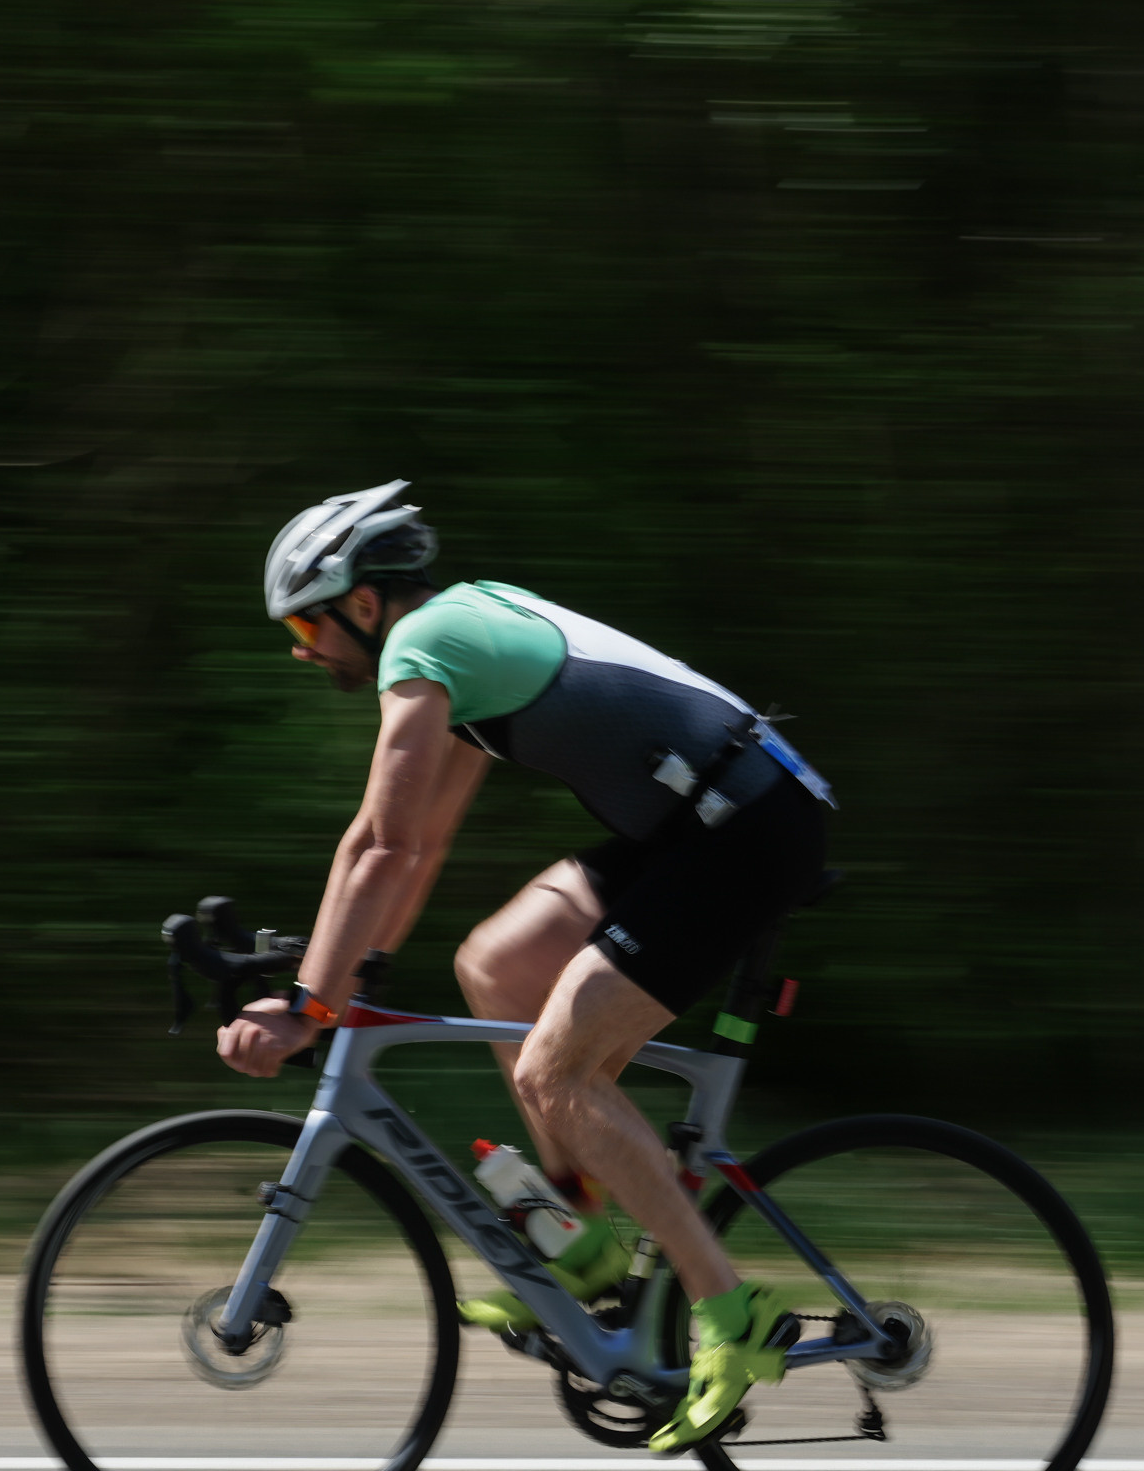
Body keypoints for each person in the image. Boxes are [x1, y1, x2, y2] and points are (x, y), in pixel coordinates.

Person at [216, 479, 834, 1451]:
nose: (303, 652)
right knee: (499, 966)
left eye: (306, 628)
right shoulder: (457, 641)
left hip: (743, 830)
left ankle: (732, 1315)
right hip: (698, 823)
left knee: (558, 1067)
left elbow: (376, 844)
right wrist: (351, 979)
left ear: (362, 605)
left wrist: (306, 1003)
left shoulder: (424, 650)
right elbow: (417, 848)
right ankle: (581, 1250)